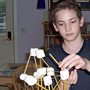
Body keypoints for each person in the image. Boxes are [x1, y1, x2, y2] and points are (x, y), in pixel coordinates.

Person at [45, 0, 90, 90]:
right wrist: (65, 84)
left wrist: (87, 65)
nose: (68, 28)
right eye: (61, 24)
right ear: (55, 27)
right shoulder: (51, 56)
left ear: (81, 21)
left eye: (72, 22)